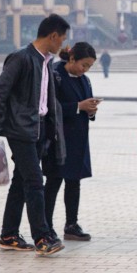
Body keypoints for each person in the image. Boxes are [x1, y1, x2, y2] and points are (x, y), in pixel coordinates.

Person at [0, 13, 70, 256]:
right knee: (34, 182)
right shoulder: (21, 58)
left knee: (21, 182)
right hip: (21, 130)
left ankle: (9, 234)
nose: (62, 43)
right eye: (61, 39)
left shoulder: (46, 62)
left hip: (38, 129)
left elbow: (46, 100)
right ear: (52, 36)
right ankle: (42, 237)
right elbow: (0, 92)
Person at [43, 43, 100, 241]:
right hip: (57, 139)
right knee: (53, 181)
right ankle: (45, 226)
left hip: (78, 139)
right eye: (84, 65)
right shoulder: (54, 75)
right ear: (72, 58)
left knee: (74, 182)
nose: (85, 70)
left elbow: (86, 106)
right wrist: (78, 106)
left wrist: (90, 110)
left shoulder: (85, 80)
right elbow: (49, 106)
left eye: (89, 67)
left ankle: (71, 224)